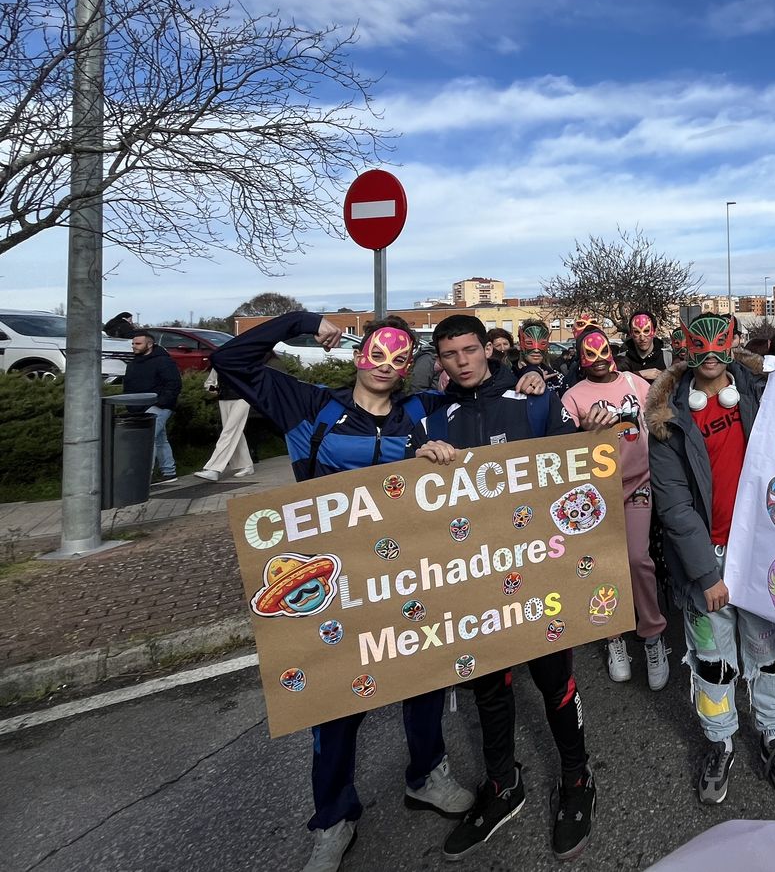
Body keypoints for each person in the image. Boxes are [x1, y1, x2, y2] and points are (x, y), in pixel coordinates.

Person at [211, 311, 478, 872]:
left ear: (411, 365)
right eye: (376, 352)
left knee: (424, 678)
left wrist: (449, 450)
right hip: (329, 583)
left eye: (398, 356)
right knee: (334, 702)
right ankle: (333, 818)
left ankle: (427, 774)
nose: (385, 365)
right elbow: (228, 359)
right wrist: (305, 322)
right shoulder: (309, 406)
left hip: (406, 575)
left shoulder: (422, 412)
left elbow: (489, 409)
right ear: (359, 353)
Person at [419, 315, 597, 862]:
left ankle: (576, 777)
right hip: (475, 579)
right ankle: (503, 785)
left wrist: (589, 435)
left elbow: (573, 468)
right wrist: (419, 459)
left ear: (487, 350)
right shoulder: (429, 417)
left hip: (537, 571)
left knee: (554, 680)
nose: (463, 362)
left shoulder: (533, 399)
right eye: (450, 355)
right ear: (440, 361)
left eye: (471, 350)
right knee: (489, 689)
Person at [647, 313, 775, 804]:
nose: (711, 354)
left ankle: (773, 735)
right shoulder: (667, 417)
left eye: (720, 345)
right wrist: (705, 572)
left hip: (758, 551)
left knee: (768, 653)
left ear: (732, 345)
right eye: (701, 346)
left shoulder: (760, 392)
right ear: (686, 348)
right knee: (713, 662)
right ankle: (721, 742)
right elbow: (672, 505)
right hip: (707, 560)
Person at [561, 325, 670, 690]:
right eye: (588, 353)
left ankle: (652, 634)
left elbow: (659, 417)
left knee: (638, 558)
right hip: (596, 495)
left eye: (601, 350)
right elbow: (563, 451)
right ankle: (613, 636)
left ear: (611, 349)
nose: (597, 359)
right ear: (579, 358)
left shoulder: (634, 383)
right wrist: (583, 436)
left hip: (639, 483)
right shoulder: (572, 397)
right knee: (604, 565)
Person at [124, 329, 182, 483]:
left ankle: (143, 478)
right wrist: (131, 405)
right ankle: (168, 472)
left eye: (138, 343)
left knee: (146, 439)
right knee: (159, 439)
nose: (134, 346)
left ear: (149, 344)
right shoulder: (132, 364)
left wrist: (162, 402)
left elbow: (174, 383)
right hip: (140, 407)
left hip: (159, 406)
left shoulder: (164, 361)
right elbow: (128, 385)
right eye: (133, 343)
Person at [193, 365, 255, 481]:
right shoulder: (219, 363)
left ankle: (214, 468)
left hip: (243, 399)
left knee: (229, 432)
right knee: (235, 432)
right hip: (224, 399)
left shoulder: (246, 361)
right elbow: (209, 384)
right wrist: (217, 390)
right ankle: (247, 465)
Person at [618, 309, 672, 382]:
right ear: (631, 333)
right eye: (636, 332)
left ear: (655, 331)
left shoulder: (669, 359)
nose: (642, 338)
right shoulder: (621, 360)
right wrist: (639, 374)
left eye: (646, 331)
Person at [517, 319, 566, 391]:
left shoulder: (557, 377)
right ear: (520, 344)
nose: (536, 350)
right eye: (529, 343)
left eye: (543, 344)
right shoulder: (509, 375)